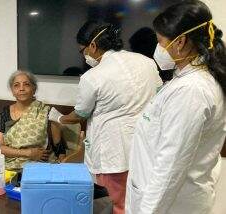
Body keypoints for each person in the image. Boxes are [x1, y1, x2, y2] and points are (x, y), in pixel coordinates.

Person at [48, 21, 162, 214]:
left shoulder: (93, 76)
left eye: (82, 51)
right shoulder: (147, 62)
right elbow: (159, 93)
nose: (84, 56)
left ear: (92, 45)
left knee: (115, 204)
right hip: (146, 146)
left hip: (114, 153)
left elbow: (80, 114)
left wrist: (60, 118)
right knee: (140, 201)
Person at [125, 1, 226, 213]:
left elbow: (170, 166)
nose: (157, 49)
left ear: (180, 41)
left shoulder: (192, 91)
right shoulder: (185, 80)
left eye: (160, 42)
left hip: (170, 205)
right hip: (169, 199)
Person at [0, 70, 66, 171]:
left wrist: (63, 169)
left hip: (40, 167)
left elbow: (59, 148)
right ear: (12, 91)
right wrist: (28, 153)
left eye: (26, 84)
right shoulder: (5, 112)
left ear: (34, 89)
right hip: (10, 168)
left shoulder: (47, 112)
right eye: (16, 85)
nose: (21, 89)